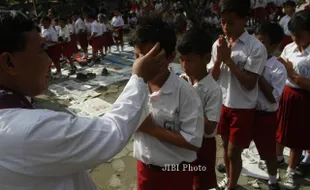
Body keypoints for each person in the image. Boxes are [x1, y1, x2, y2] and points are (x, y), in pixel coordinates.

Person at [0, 10, 166, 190]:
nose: (49, 60)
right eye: (41, 50)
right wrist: (139, 78)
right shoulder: (28, 130)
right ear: (9, 63)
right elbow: (112, 132)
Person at [132, 14, 204, 190]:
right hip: (145, 169)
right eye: (137, 57)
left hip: (176, 173)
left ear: (170, 56)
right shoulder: (135, 87)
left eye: (150, 58)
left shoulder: (185, 93)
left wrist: (152, 129)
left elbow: (193, 142)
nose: (143, 64)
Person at [210, 0, 267, 189]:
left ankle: (232, 186)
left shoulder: (255, 48)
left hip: (242, 108)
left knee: (235, 151)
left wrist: (230, 61)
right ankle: (229, 179)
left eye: (231, 22)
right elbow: (213, 77)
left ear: (244, 20)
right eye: (223, 22)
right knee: (225, 148)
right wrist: (219, 60)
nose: (226, 27)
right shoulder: (218, 44)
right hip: (222, 104)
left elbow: (250, 84)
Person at [177, 28, 222, 190]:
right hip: (183, 139)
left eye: (190, 60)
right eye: (181, 60)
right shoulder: (183, 80)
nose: (184, 65)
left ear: (207, 58)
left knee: (202, 182)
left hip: (203, 145)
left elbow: (210, 128)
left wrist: (190, 103)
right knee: (184, 178)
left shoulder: (213, 89)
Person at [276, 9, 310, 189]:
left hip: (304, 99)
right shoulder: (289, 48)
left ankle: (291, 170)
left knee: (297, 137)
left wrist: (292, 74)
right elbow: (279, 65)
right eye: (293, 35)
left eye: (300, 35)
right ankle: (278, 159)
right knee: (280, 131)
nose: (295, 39)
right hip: (287, 95)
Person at [253, 22, 287, 190]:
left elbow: (273, 97)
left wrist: (257, 73)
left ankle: (273, 179)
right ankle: (231, 171)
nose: (257, 47)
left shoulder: (278, 69)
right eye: (255, 42)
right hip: (248, 112)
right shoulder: (249, 61)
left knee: (268, 151)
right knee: (233, 145)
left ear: (273, 46)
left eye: (262, 43)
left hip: (266, 116)